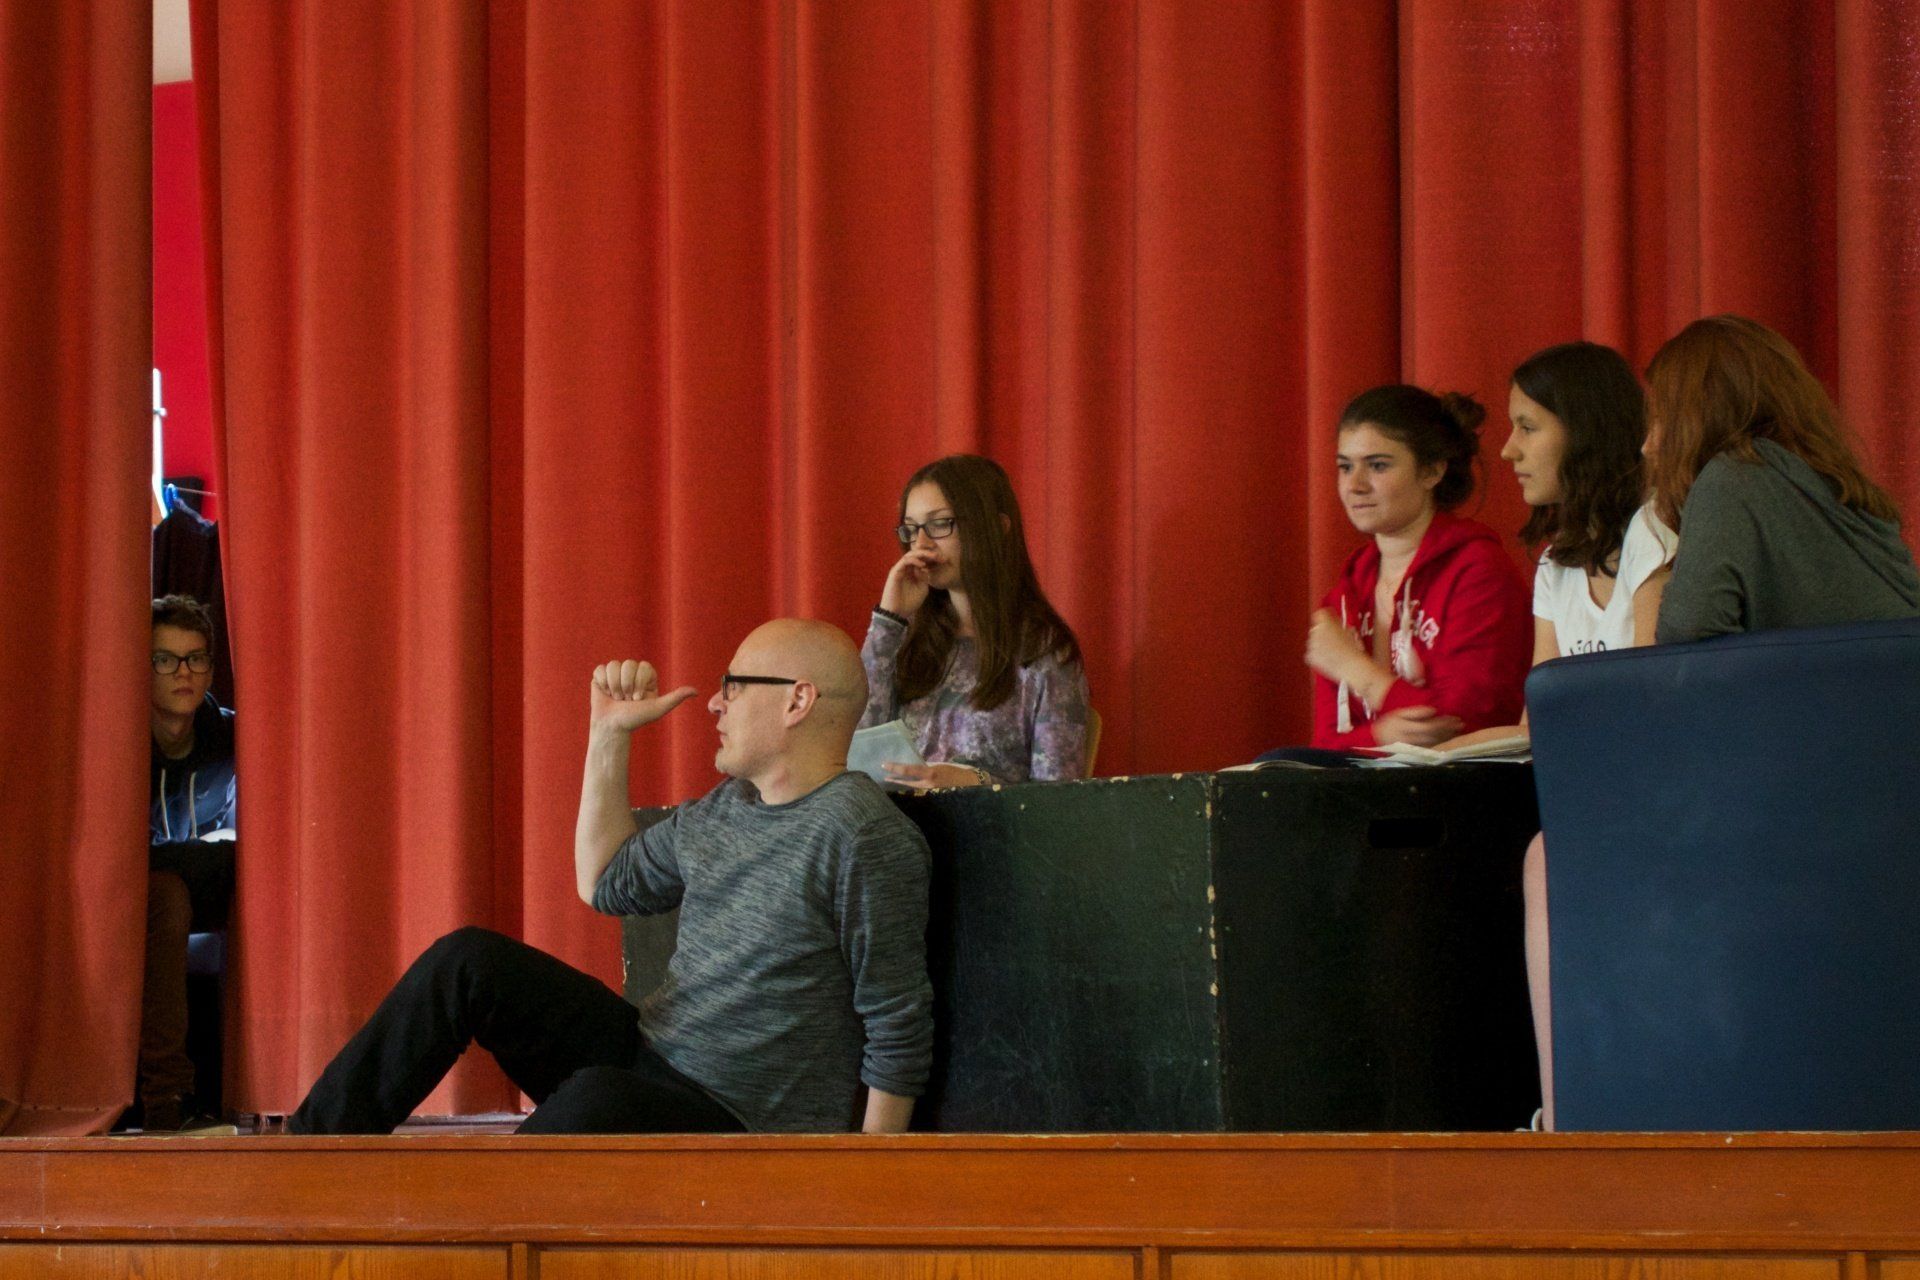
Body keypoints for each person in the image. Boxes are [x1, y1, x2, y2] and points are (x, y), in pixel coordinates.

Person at [287, 619, 934, 1135]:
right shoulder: (729, 805)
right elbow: (604, 880)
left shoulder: (862, 833)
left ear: (797, 700)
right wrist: (608, 734)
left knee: (596, 1100)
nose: (715, 702)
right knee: (467, 962)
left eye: (734, 685)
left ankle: (460, 1236)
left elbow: (898, 1022)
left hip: (733, 1119)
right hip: (650, 1054)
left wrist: (860, 1183)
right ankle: (307, 1159)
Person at [1436, 343, 1676, 1130]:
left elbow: (1647, 695)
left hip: (1662, 795)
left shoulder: (1657, 533)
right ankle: (1559, 1109)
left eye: (1528, 427)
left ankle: (1568, 1114)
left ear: (1585, 429)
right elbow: (1541, 713)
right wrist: (1441, 751)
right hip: (1589, 793)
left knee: (1546, 857)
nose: (1508, 451)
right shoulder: (1555, 566)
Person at [1646, 315, 1920, 641]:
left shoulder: (1730, 478)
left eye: (1661, 418)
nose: (1648, 446)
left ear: (1699, 417)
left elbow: (1687, 634)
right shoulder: (1828, 478)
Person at [1304, 385, 1532, 750]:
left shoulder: (1479, 571)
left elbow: (1461, 724)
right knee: (1276, 762)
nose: (1355, 485)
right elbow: (1327, 746)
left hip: (1462, 778)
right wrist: (1380, 737)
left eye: (1377, 465)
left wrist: (1354, 668)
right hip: (1372, 779)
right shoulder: (1344, 597)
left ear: (1431, 471)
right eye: (1345, 467)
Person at [860, 454, 1091, 786]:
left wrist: (976, 781)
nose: (920, 544)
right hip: (892, 817)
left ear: (997, 528)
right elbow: (854, 750)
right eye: (911, 529)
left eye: (940, 524)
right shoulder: (906, 639)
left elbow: (1058, 801)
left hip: (985, 820)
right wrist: (888, 619)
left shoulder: (1044, 653)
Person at [142, 594, 237, 1132]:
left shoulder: (232, 735)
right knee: (165, 896)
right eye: (165, 659)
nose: (183, 672)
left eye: (196, 658)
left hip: (213, 888)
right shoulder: (115, 742)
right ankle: (166, 1101)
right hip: (144, 901)